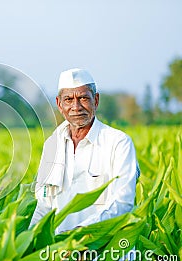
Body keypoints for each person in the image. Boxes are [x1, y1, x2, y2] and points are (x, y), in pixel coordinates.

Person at [30, 68, 140, 235]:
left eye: (83, 98)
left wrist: (82, 234)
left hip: (107, 253)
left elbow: (122, 202)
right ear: (59, 104)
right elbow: (44, 205)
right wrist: (27, 240)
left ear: (95, 100)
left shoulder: (118, 142)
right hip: (62, 255)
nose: (76, 107)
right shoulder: (52, 145)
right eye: (68, 99)